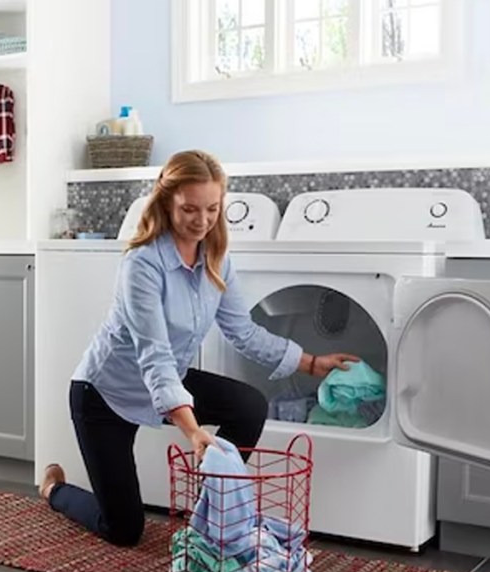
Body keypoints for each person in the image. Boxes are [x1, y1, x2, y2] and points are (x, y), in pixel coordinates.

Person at [40, 150, 359, 547]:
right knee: (123, 530)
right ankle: (54, 491)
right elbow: (153, 354)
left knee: (248, 405)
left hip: (167, 380)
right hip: (106, 394)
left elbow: (242, 330)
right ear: (166, 202)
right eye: (190, 208)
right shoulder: (142, 264)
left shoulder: (216, 259)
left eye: (212, 208)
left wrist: (310, 362)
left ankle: (210, 515)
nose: (202, 220)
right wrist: (192, 431)